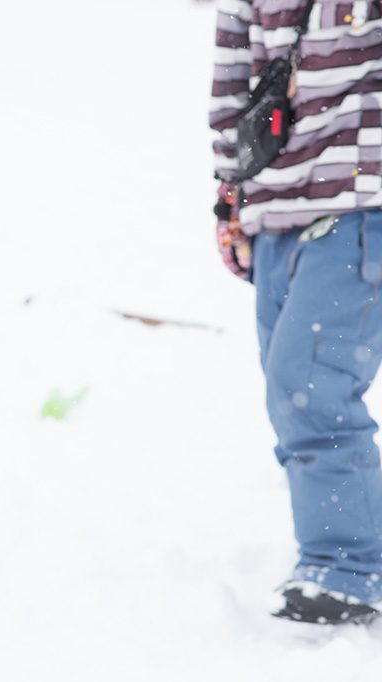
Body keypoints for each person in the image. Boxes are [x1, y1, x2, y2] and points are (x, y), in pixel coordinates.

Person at [210, 0, 382, 624]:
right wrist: (229, 200)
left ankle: (346, 568)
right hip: (274, 210)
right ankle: (340, 552)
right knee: (291, 396)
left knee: (313, 389)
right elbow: (231, 90)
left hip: (361, 203)